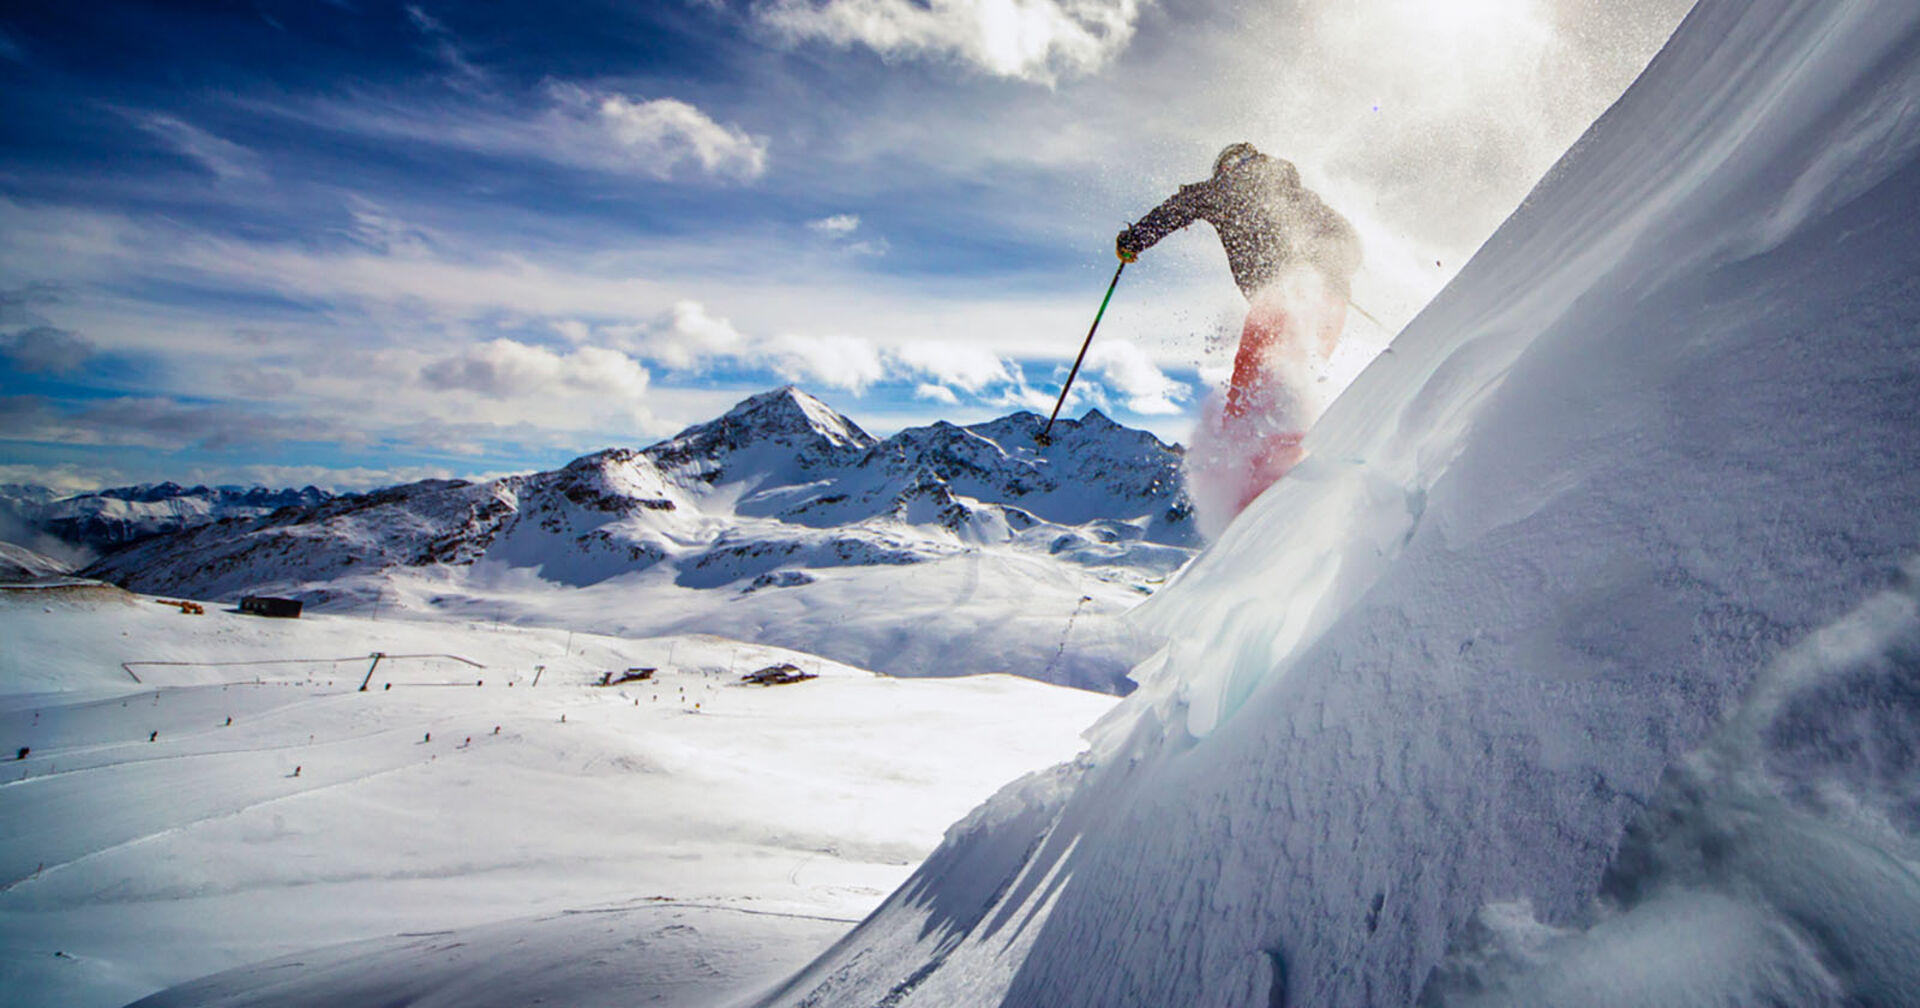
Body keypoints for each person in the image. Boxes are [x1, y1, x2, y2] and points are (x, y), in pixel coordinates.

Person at [1116, 142, 1362, 531]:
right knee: (1296, 377)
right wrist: (1330, 268)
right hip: (1330, 303)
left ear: (1228, 168)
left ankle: (1254, 492)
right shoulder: (1297, 193)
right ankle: (1294, 463)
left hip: (1283, 299)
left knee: (1254, 384)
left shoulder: (1225, 190)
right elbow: (1347, 239)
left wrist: (1135, 240)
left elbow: (1178, 207)